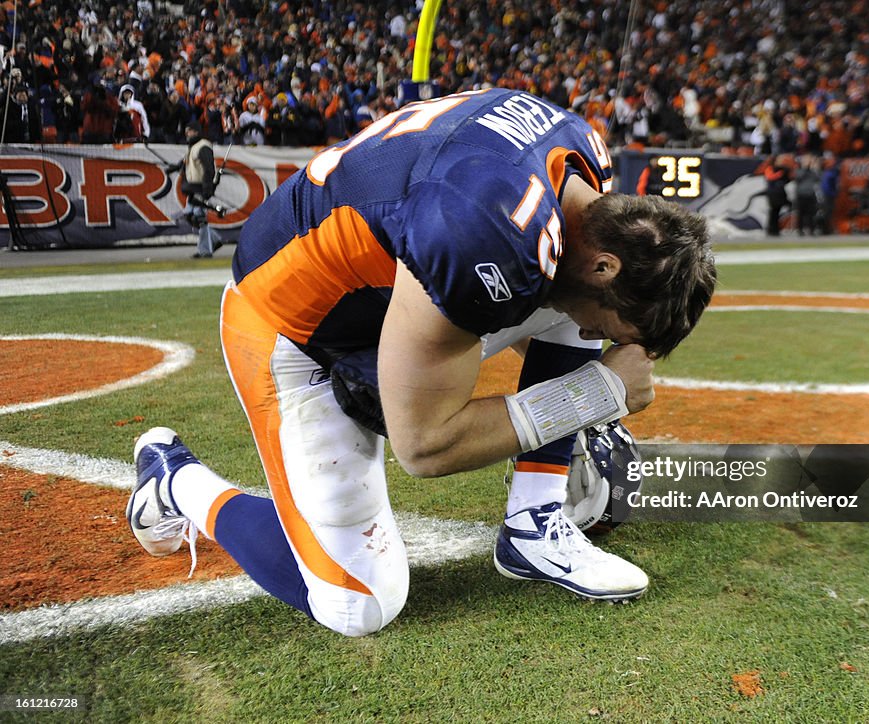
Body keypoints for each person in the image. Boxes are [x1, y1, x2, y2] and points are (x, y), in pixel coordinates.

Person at [127, 88, 717, 637]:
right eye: (605, 327)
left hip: (399, 283)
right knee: (360, 605)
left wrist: (599, 367)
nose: (595, 336)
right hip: (294, 327)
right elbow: (425, 445)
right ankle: (177, 481)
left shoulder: (585, 185)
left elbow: (547, 275)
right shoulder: (487, 228)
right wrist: (594, 394)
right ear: (607, 266)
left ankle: (532, 525)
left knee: (562, 300)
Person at [166, 121, 225, 258]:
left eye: (190, 131)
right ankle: (214, 240)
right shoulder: (193, 147)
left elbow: (208, 169)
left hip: (200, 187)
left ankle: (205, 250)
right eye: (186, 131)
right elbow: (186, 162)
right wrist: (175, 167)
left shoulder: (203, 146)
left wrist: (207, 188)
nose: (187, 133)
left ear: (197, 132)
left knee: (199, 219)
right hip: (193, 188)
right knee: (190, 216)